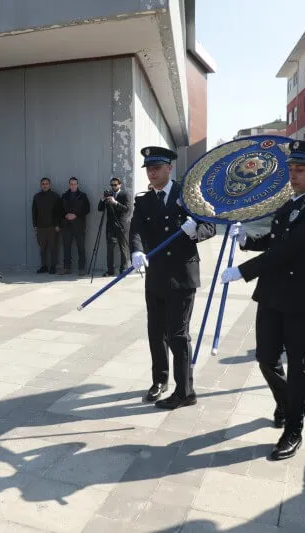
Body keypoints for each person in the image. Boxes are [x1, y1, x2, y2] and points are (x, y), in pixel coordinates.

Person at [221, 140, 305, 460]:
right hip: (272, 295)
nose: (294, 174)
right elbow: (274, 241)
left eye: (301, 169)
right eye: (291, 168)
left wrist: (243, 271)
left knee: (300, 366)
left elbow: (289, 250)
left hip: (301, 298)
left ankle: (294, 428)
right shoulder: (288, 203)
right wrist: (247, 240)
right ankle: (286, 403)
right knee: (265, 358)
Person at [130, 146, 216, 410]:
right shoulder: (144, 200)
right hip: (155, 275)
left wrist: (194, 231)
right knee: (156, 333)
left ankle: (185, 391)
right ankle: (160, 381)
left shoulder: (188, 195)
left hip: (181, 276)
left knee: (178, 335)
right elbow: (137, 229)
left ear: (169, 168)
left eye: (157, 168)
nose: (152, 173)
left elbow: (209, 225)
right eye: (149, 169)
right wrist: (137, 251)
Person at [97, 177, 131, 276]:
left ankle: (124, 269)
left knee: (123, 248)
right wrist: (103, 199)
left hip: (121, 225)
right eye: (111, 185)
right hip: (110, 226)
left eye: (115, 185)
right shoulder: (109, 194)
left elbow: (126, 209)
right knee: (110, 249)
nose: (113, 187)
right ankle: (110, 270)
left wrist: (115, 203)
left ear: (120, 185)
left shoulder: (124, 194)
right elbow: (100, 208)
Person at [32, 177, 62, 273]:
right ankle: (44, 266)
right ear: (41, 185)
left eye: (46, 183)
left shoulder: (55, 196)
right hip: (40, 227)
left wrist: (58, 225)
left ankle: (53, 267)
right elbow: (34, 212)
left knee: (53, 248)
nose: (45, 185)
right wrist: (35, 226)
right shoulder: (36, 196)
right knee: (42, 249)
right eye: (43, 184)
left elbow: (58, 212)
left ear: (50, 185)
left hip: (52, 227)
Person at [60, 177, 90, 274]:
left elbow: (87, 209)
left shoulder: (83, 196)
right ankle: (66, 268)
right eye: (71, 184)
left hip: (79, 226)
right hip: (66, 226)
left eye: (74, 184)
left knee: (81, 247)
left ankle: (81, 269)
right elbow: (59, 209)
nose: (73, 185)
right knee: (66, 247)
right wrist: (65, 215)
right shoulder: (64, 196)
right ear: (69, 185)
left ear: (77, 185)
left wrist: (76, 215)